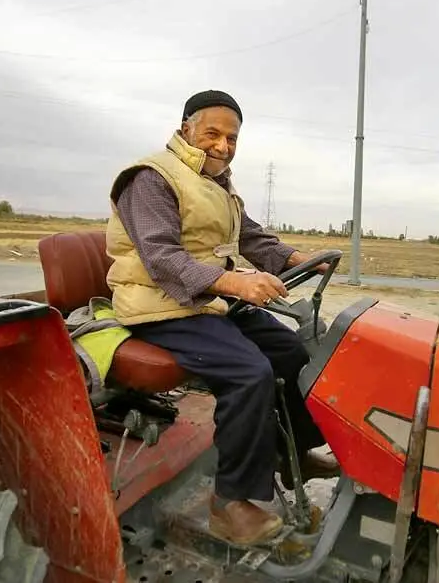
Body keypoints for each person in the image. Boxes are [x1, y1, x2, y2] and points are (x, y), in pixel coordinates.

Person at [104, 89, 340, 546]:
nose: (223, 145)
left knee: (292, 351)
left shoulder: (218, 184)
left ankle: (292, 458)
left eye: (232, 138)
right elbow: (162, 259)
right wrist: (234, 283)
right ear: (186, 126)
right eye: (213, 133)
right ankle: (228, 503)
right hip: (158, 303)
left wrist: (296, 257)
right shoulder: (150, 178)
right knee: (249, 372)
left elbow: (250, 237)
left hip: (205, 300)